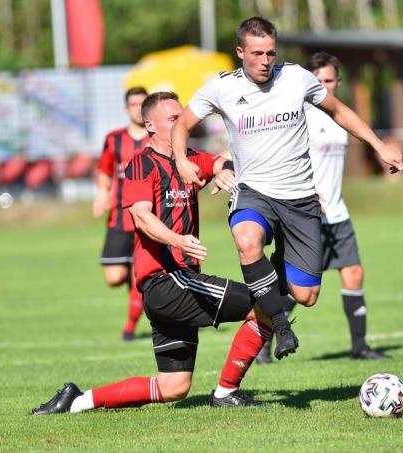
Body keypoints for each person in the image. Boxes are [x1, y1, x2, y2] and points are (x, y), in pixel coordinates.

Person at [171, 17, 403, 361]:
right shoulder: (221, 87)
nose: (265, 60)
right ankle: (280, 324)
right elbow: (183, 124)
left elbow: (338, 110)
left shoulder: (296, 78)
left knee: (306, 295)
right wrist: (180, 160)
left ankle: (277, 272)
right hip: (254, 192)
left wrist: (379, 145)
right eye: (257, 53)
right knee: (247, 241)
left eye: (270, 53)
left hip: (299, 200)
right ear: (240, 53)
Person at [31, 92, 275, 415]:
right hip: (166, 281)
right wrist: (178, 240)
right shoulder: (140, 164)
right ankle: (226, 392)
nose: (181, 123)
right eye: (173, 118)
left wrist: (224, 170)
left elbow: (218, 162)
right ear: (150, 124)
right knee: (266, 306)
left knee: (174, 387)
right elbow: (142, 217)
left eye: (182, 117)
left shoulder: (186, 159)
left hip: (174, 285)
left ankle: (76, 400)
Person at [256, 52, 391, 363]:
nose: (324, 86)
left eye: (330, 81)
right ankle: (264, 342)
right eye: (318, 81)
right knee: (298, 291)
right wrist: (306, 191)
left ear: (338, 82)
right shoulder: (298, 116)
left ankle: (360, 347)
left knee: (354, 273)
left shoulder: (340, 118)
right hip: (307, 214)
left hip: (338, 212)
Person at [92, 86, 151, 341]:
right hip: (118, 215)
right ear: (126, 108)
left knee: (140, 276)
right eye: (133, 104)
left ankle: (129, 327)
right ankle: (131, 272)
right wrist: (102, 193)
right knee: (115, 277)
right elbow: (104, 169)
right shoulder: (114, 138)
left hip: (149, 216)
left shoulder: (159, 136)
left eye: (142, 103)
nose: (138, 108)